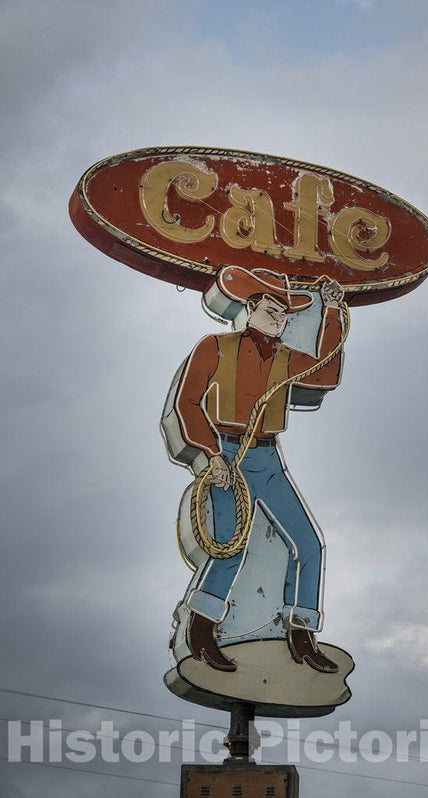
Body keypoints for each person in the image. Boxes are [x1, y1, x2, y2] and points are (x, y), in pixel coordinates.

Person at [175, 266, 345, 673]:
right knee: (230, 546)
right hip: (228, 454)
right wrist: (212, 453)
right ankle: (201, 630)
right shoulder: (215, 345)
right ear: (250, 308)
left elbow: (327, 372)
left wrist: (333, 313)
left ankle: (301, 634)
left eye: (284, 314)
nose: (279, 319)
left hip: (267, 457)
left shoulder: (286, 357)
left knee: (308, 544)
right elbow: (188, 403)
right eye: (271, 309)